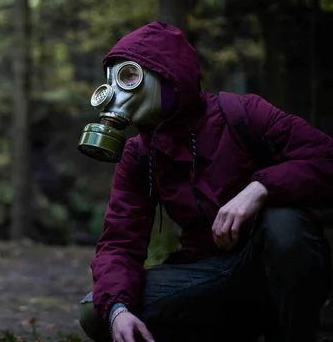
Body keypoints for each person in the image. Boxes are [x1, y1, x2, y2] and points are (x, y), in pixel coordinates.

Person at [76, 21, 333, 342]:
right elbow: (119, 244)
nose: (118, 91)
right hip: (209, 276)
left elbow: (326, 158)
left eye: (129, 76)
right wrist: (117, 310)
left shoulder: (242, 114)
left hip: (273, 266)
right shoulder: (140, 154)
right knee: (96, 310)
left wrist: (261, 188)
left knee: (285, 223)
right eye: (112, 81)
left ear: (167, 75)